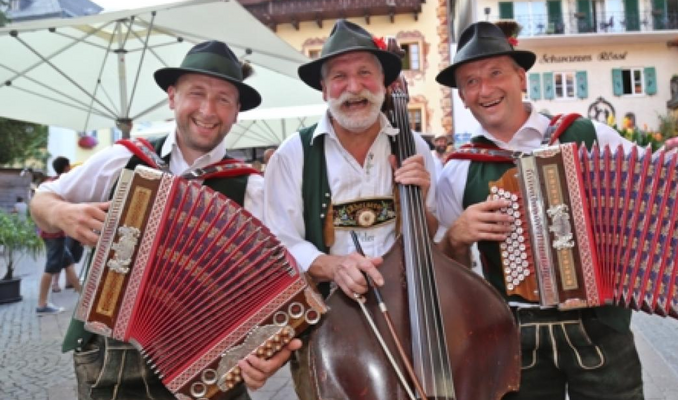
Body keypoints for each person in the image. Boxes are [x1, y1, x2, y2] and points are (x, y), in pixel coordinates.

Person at [433, 21, 678, 400]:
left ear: (521, 77)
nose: (485, 89)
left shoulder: (589, 135)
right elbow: (447, 271)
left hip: (601, 328)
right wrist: (456, 237)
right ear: (462, 97)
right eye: (471, 81)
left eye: (496, 73)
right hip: (514, 338)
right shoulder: (458, 170)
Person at [30, 41, 298, 400]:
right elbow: (43, 198)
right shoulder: (123, 159)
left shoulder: (253, 188)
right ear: (172, 97)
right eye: (196, 93)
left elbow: (286, 288)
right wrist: (61, 213)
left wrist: (274, 352)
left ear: (236, 112)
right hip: (114, 361)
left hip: (211, 363)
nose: (208, 110)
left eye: (223, 99)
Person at [263, 19, 437, 399]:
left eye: (365, 73)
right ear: (324, 89)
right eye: (339, 77)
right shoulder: (293, 154)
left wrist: (419, 203)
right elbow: (279, 242)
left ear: (384, 83)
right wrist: (334, 266)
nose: (354, 87)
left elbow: (433, 238)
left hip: (409, 318)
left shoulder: (417, 149)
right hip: (326, 322)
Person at [35, 156, 83, 314]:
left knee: (69, 264)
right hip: (53, 234)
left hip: (54, 233)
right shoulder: (60, 183)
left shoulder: (50, 183)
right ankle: (42, 304)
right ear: (66, 167)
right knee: (51, 267)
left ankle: (85, 299)